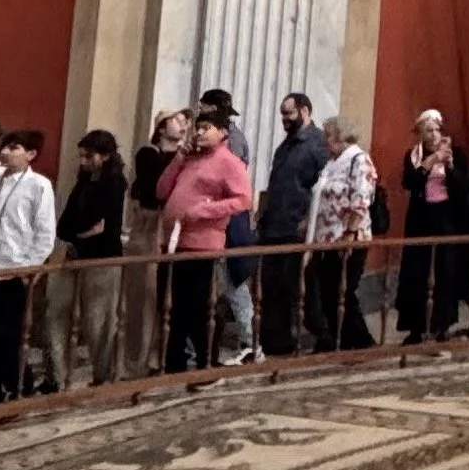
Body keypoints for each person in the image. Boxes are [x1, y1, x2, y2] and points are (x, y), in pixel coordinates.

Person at [158, 110, 254, 372]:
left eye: (207, 127)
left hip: (202, 244)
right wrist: (179, 158)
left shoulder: (228, 162)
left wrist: (203, 211)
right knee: (172, 306)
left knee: (199, 307)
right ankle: (174, 363)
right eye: (198, 127)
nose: (199, 132)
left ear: (223, 132)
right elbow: (162, 190)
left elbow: (243, 199)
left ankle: (205, 362)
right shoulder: (191, 159)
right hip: (174, 241)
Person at [0, 129, 56, 407]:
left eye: (14, 147)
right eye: (5, 146)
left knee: (6, 333)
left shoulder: (39, 185)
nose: (6, 152)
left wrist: (29, 268)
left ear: (30, 154)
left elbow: (44, 233)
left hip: (14, 266)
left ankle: (20, 385)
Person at [50, 129, 127, 388]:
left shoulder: (114, 183)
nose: (83, 162)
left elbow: (100, 225)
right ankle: (57, 376)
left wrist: (78, 233)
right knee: (57, 312)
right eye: (81, 156)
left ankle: (103, 374)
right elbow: (67, 221)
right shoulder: (83, 181)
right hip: (73, 252)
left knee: (98, 322)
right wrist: (72, 235)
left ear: (105, 156)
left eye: (88, 156)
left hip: (101, 258)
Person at [254, 93, 327, 361]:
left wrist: (309, 219)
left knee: (299, 285)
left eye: (289, 114)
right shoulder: (285, 146)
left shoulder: (317, 145)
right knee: (272, 285)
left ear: (304, 111)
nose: (284, 119)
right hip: (275, 225)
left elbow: (322, 187)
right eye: (282, 114)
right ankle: (276, 340)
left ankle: (323, 332)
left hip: (296, 226)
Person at [398, 124, 469, 343]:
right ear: (421, 134)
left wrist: (450, 166)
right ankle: (416, 327)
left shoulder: (456, 154)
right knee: (417, 274)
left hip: (446, 220)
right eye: (428, 131)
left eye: (436, 130)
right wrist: (430, 161)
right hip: (420, 221)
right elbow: (410, 182)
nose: (433, 135)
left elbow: (463, 188)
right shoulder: (414, 155)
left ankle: (442, 325)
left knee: (445, 273)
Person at [305, 118, 376, 353]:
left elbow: (361, 199)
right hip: (325, 239)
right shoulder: (332, 163)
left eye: (328, 135)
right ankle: (339, 340)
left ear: (341, 136)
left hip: (348, 239)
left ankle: (361, 342)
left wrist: (350, 233)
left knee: (342, 290)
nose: (325, 140)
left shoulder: (358, 160)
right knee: (327, 291)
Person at [125, 109, 189, 372]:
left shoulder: (186, 157)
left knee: (167, 294)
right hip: (149, 226)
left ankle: (162, 353)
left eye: (186, 120)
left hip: (174, 227)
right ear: (161, 127)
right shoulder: (148, 154)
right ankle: (138, 357)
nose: (184, 124)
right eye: (177, 119)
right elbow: (155, 188)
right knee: (143, 293)